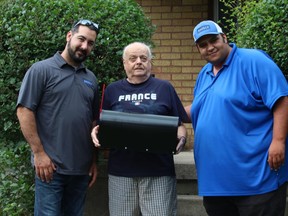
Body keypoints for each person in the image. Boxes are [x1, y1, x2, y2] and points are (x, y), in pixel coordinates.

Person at [185, 20, 288, 216]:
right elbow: (200, 109)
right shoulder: (204, 74)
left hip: (256, 180)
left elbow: (281, 99)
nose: (210, 47)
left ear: (224, 37)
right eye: (203, 45)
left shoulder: (254, 61)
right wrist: (165, 111)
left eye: (213, 40)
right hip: (216, 183)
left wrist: (278, 141)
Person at [91, 42, 188, 216]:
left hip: (158, 171)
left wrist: (181, 139)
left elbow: (179, 125)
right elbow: (102, 125)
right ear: (124, 63)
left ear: (150, 62)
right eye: (133, 58)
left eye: (143, 58)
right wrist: (96, 132)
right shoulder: (112, 90)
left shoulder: (164, 88)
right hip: (121, 172)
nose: (138, 62)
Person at [16, 19, 100, 216]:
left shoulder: (91, 79)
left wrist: (93, 161)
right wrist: (39, 154)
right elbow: (24, 111)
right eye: (81, 39)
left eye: (90, 43)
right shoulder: (41, 70)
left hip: (81, 171)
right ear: (69, 36)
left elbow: (92, 122)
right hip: (50, 169)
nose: (85, 46)